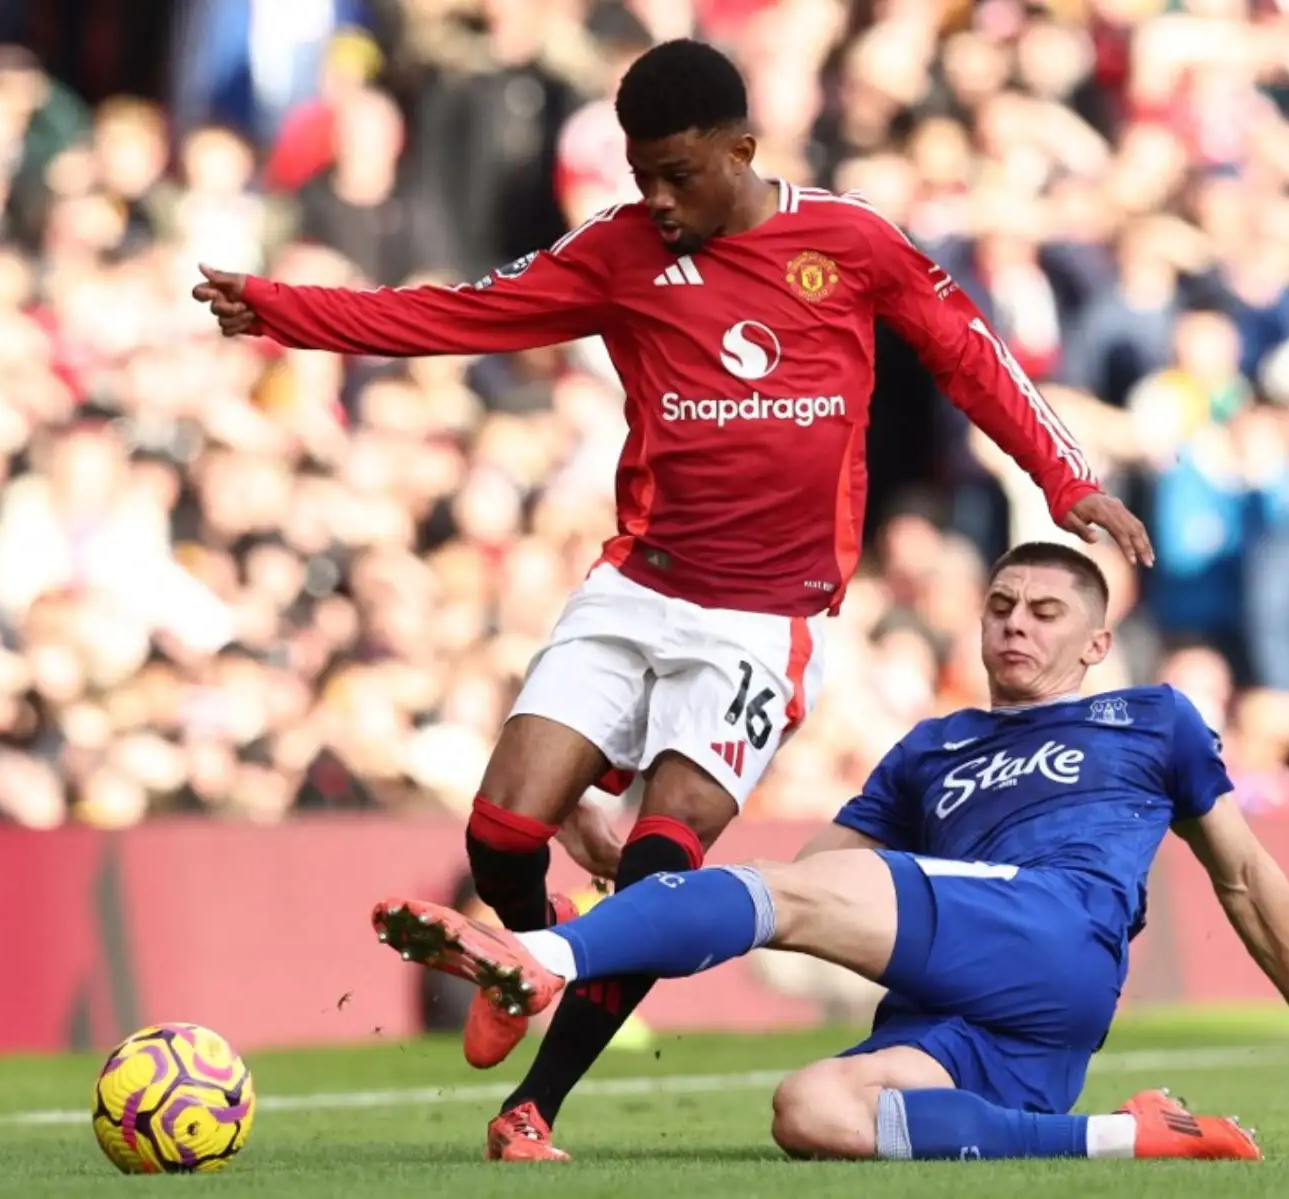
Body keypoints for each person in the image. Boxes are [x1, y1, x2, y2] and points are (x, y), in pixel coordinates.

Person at [194, 39, 1153, 1162]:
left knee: (661, 858)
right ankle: (538, 949)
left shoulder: (850, 243)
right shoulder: (620, 252)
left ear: (742, 150)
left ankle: (531, 1108)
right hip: (637, 586)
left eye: (678, 174)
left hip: (764, 620)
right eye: (641, 174)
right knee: (501, 835)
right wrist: (282, 310)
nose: (656, 198)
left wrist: (1067, 478)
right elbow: (456, 315)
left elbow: (969, 353)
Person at [375, 542, 1289, 1164]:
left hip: (1058, 933)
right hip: (996, 1031)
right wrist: (625, 867)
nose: (1015, 625)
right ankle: (1135, 1133)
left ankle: (542, 959)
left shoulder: (1151, 717)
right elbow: (797, 891)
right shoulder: (935, 745)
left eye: (1045, 612)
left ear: (1095, 643)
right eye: (1001, 607)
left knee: (783, 896)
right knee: (811, 1111)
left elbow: (1243, 872)